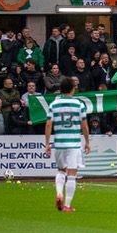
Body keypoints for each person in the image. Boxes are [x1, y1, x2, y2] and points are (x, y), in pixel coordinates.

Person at [44, 76, 89, 212]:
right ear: (73, 88)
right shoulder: (79, 104)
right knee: (72, 174)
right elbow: (85, 126)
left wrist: (47, 144)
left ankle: (59, 193)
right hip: (74, 144)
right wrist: (87, 141)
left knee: (60, 170)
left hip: (59, 143)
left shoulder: (54, 105)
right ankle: (68, 206)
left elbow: (48, 124)